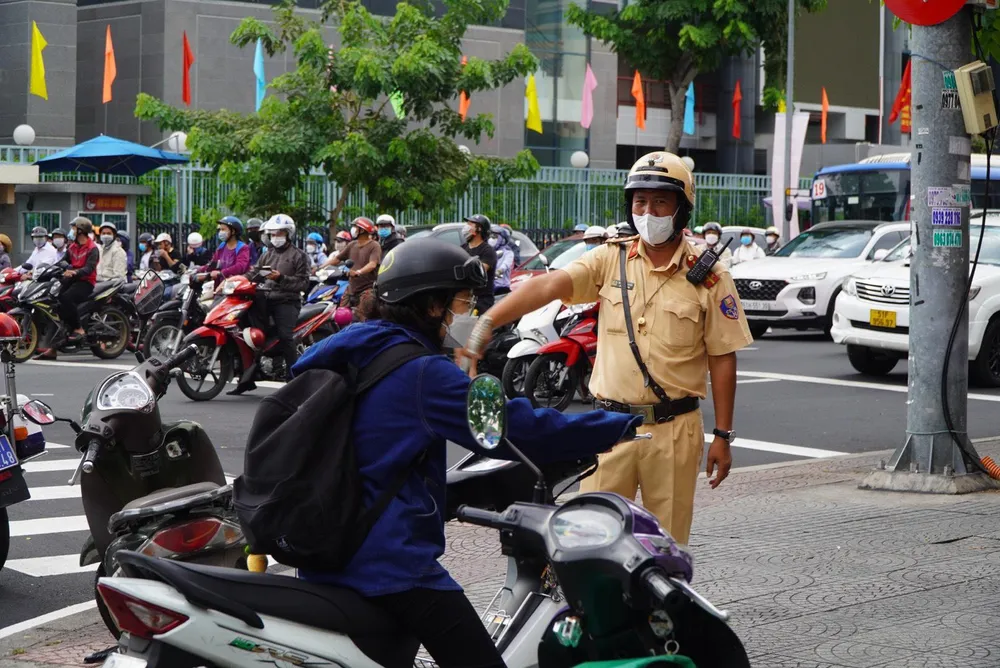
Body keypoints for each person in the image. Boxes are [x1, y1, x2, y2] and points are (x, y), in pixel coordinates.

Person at [292, 238, 642, 668]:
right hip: (388, 563)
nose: (470, 314)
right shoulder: (422, 372)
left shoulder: (354, 347)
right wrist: (614, 425)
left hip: (326, 548)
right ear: (432, 305)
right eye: (463, 302)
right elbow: (516, 428)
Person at [463, 151, 753, 545]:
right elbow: (548, 286)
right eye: (640, 201)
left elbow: (722, 356)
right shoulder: (608, 259)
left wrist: (722, 435)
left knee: (663, 548)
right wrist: (487, 322)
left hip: (674, 431)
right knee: (593, 543)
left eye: (660, 202)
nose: (648, 212)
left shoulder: (710, 275)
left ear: (682, 208)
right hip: (607, 428)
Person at [234, 214, 310, 394]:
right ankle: (247, 378)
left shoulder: (299, 256)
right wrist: (237, 280)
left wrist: (280, 278)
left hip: (287, 301)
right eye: (273, 234)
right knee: (246, 334)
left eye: (279, 233)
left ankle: (293, 379)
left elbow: (303, 283)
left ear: (288, 234)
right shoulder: (267, 255)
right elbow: (253, 273)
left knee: (285, 336)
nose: (275, 237)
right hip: (264, 301)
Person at [35, 217, 100, 360]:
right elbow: (62, 261)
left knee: (66, 298)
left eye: (73, 228)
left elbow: (89, 269)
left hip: (86, 282)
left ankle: (79, 328)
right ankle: (53, 348)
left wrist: (75, 272)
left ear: (81, 230)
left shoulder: (92, 248)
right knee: (54, 301)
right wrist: (50, 269)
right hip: (71, 279)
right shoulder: (72, 247)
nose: (71, 231)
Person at [322, 217, 382, 309]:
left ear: (362, 230)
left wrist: (358, 272)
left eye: (355, 227)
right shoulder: (352, 245)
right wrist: (320, 267)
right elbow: (337, 259)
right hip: (351, 289)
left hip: (367, 289)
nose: (353, 229)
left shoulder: (374, 246)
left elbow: (372, 264)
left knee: (362, 314)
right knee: (341, 313)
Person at [460, 214, 496, 313]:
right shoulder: (462, 248)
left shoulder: (487, 251)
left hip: (481, 301)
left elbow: (478, 272)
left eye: (470, 224)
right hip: (464, 299)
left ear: (479, 229)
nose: (466, 227)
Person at [202, 216, 251, 285]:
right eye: (220, 229)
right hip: (221, 285)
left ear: (233, 231)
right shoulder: (222, 246)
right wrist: (198, 270)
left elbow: (240, 266)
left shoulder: (242, 248)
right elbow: (213, 263)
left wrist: (221, 273)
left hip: (235, 285)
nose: (220, 232)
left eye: (223, 229)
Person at [491, 227, 515, 296]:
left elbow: (506, 264)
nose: (492, 238)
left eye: (495, 236)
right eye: (491, 236)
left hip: (501, 287)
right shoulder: (490, 251)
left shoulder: (508, 252)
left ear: (503, 240)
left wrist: (499, 271)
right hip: (490, 287)